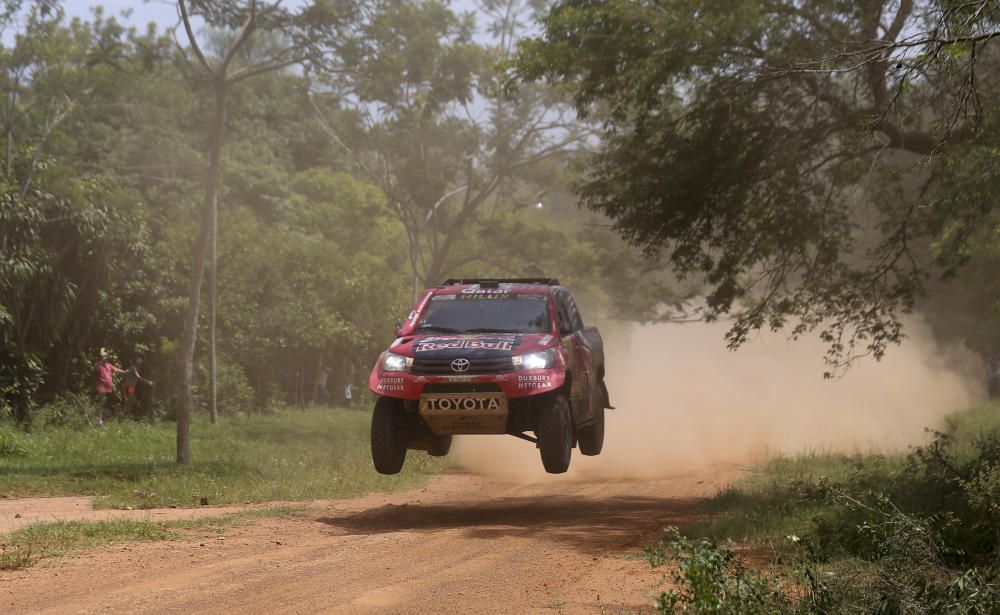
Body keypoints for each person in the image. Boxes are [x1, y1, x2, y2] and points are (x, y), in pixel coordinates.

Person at [94, 350, 126, 426]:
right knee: (101, 401)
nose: (105, 358)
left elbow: (117, 370)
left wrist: (125, 372)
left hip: (108, 387)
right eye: (103, 356)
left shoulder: (109, 365)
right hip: (101, 386)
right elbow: (95, 369)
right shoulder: (99, 365)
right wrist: (100, 361)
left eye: (106, 356)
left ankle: (103, 418)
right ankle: (99, 421)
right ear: (101, 358)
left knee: (106, 402)